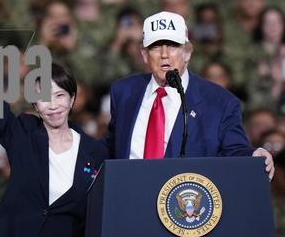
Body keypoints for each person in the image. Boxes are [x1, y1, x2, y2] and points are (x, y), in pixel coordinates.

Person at [0, 0, 108, 237]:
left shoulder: (94, 152)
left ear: (73, 100)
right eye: (45, 97)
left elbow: (95, 220)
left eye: (61, 96)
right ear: (34, 103)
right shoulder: (23, 132)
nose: (53, 105)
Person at [103, 11, 274, 178]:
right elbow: (111, 146)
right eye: (155, 46)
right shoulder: (124, 91)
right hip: (128, 197)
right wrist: (77, 142)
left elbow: (234, 150)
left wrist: (253, 156)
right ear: (144, 54)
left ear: (187, 53)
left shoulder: (220, 103)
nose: (164, 54)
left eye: (172, 46)